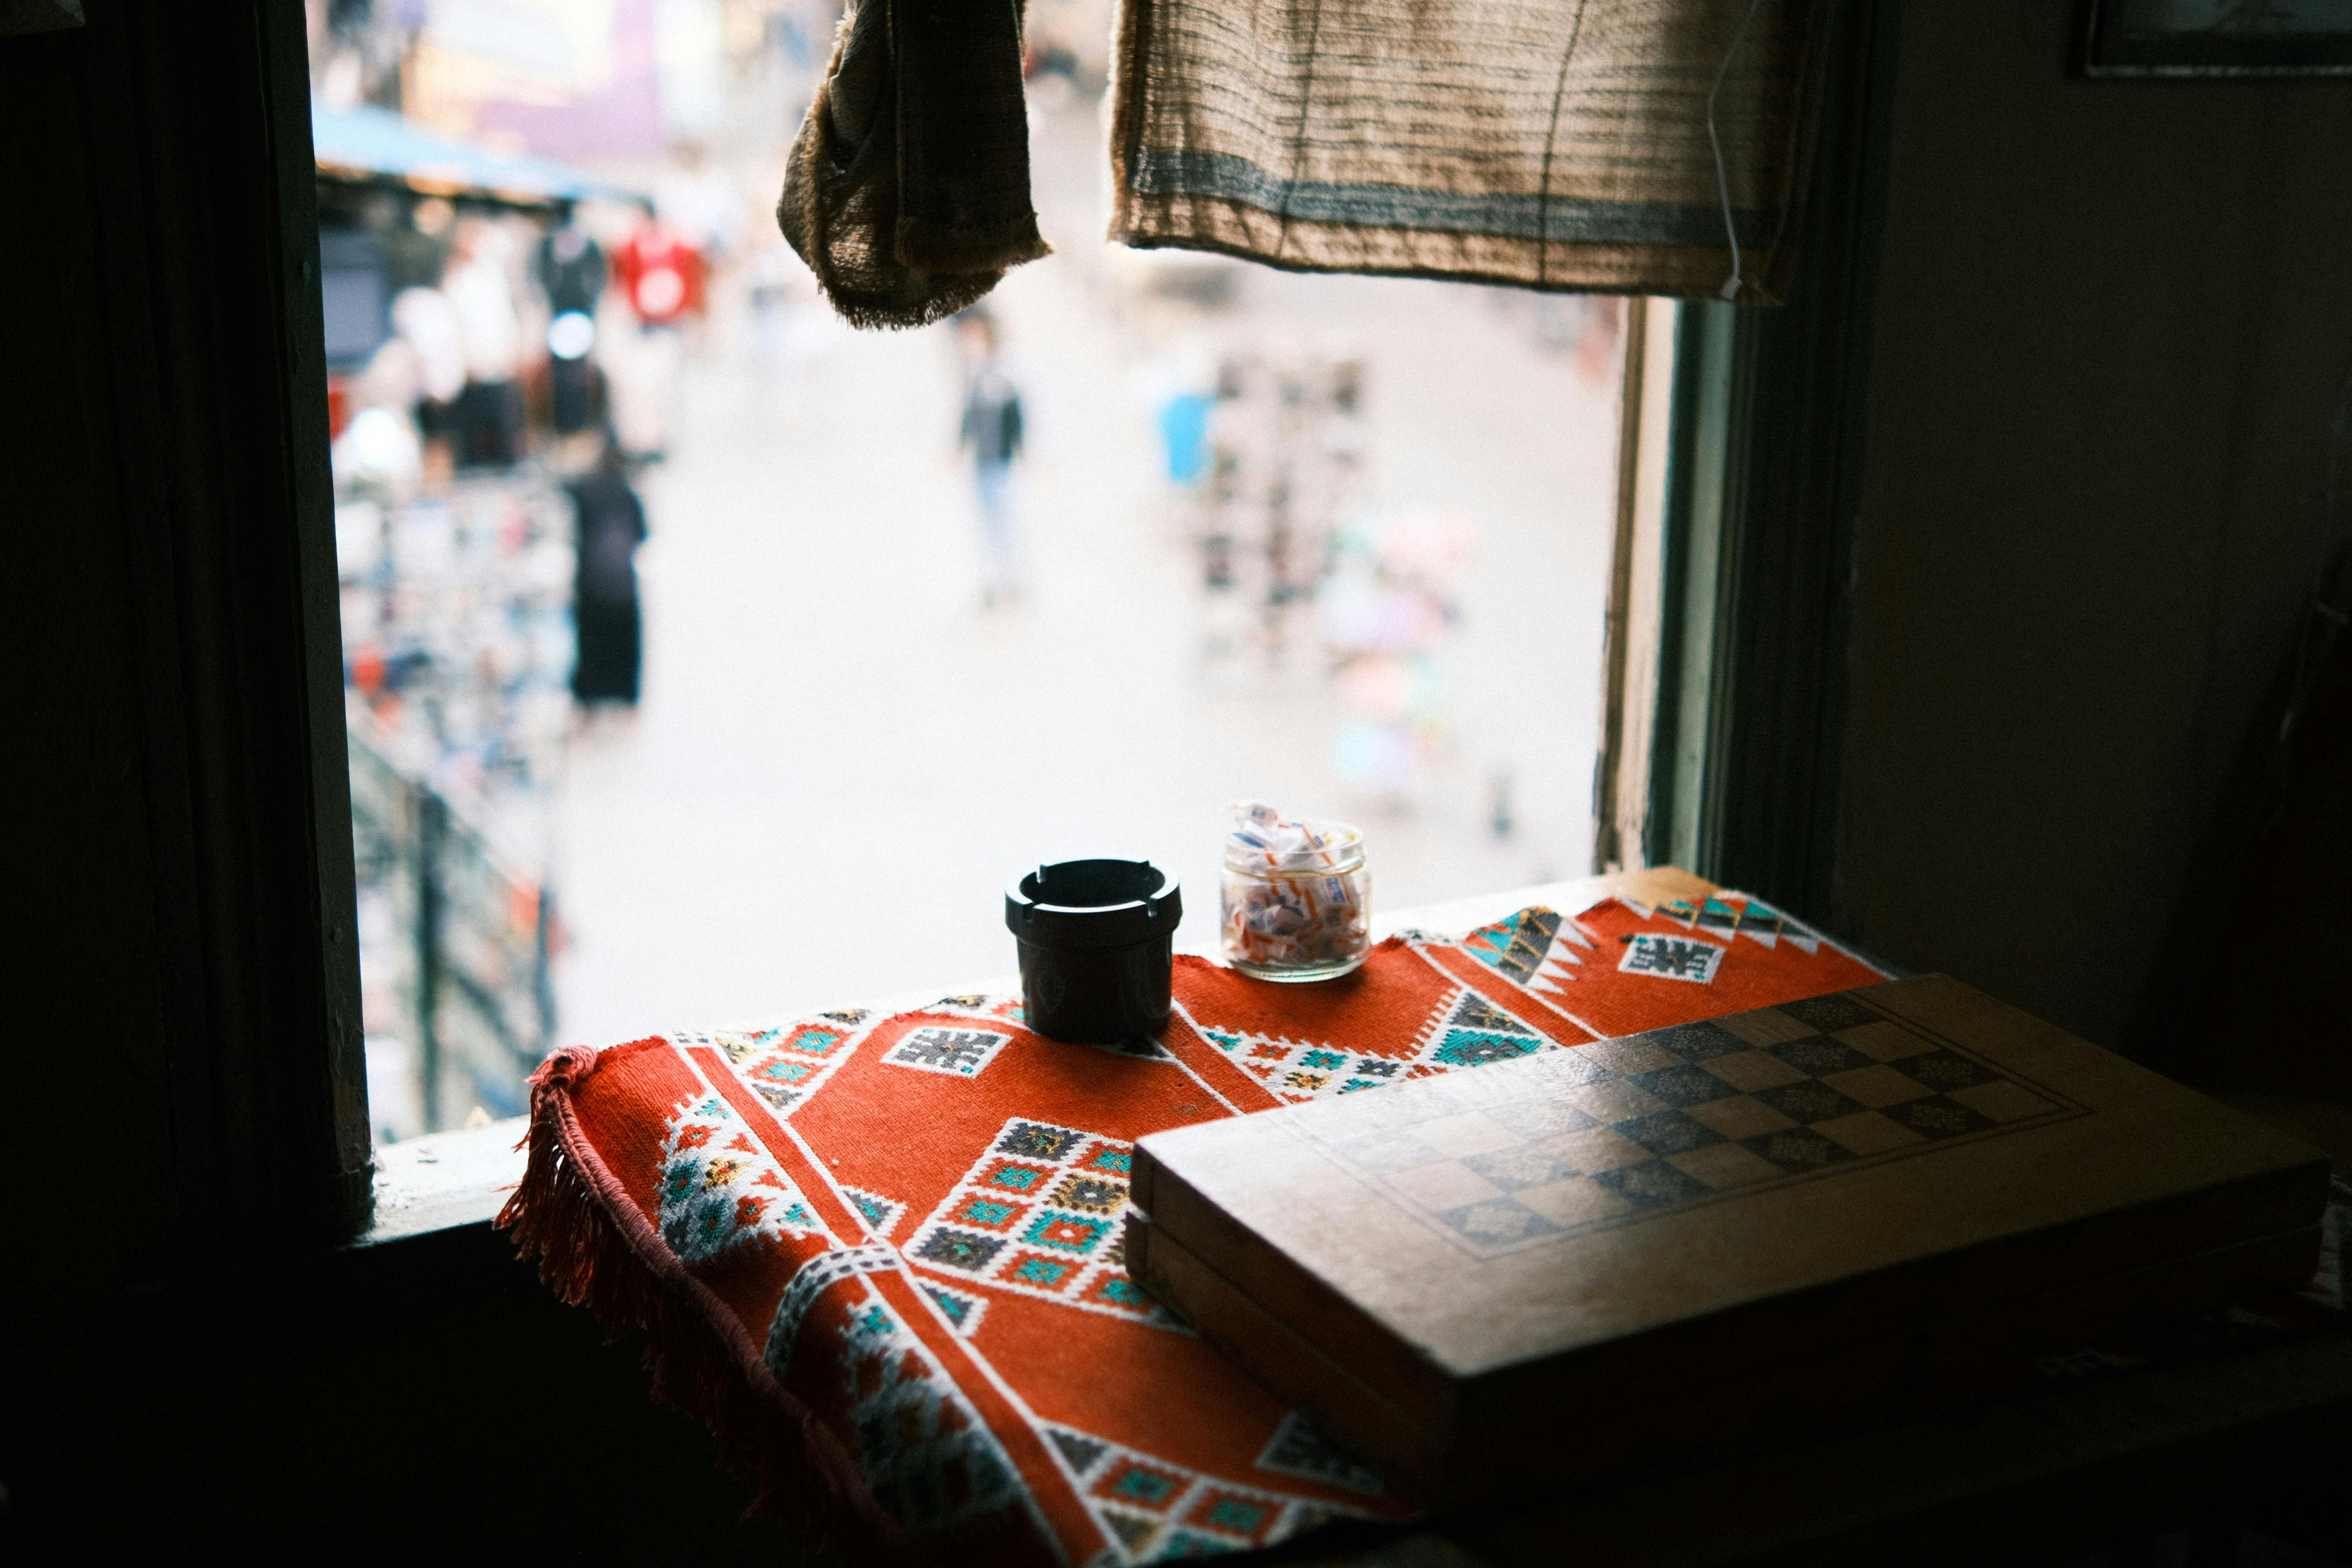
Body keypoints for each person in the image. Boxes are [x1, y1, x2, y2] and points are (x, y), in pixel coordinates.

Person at [567, 442, 649, 708]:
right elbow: (643, 534)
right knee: (625, 647)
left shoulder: (584, 491)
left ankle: (589, 701)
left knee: (591, 645)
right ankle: (625, 701)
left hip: (591, 582)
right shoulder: (629, 495)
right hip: (623, 584)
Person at [957, 312, 1025, 607]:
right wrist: (958, 448)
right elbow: (968, 419)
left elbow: (1015, 419)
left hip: (1000, 462)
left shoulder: (1001, 377)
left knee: (1003, 523)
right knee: (988, 525)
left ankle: (1008, 579)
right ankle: (993, 581)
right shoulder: (976, 378)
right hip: (983, 462)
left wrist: (1024, 453)